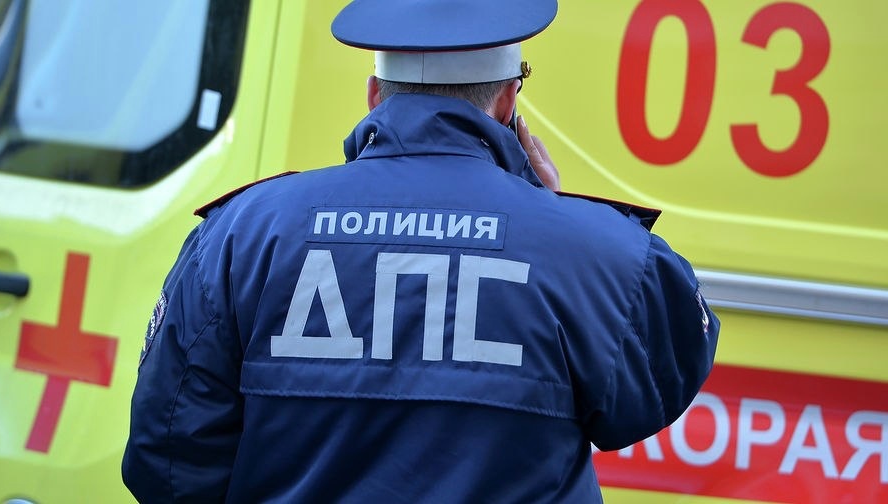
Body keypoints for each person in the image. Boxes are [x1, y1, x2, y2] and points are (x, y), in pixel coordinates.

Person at [122, 0, 719, 502]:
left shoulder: (241, 235)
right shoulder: (597, 251)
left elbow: (168, 460)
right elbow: (651, 390)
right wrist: (555, 217)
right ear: (508, 103)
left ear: (374, 95)